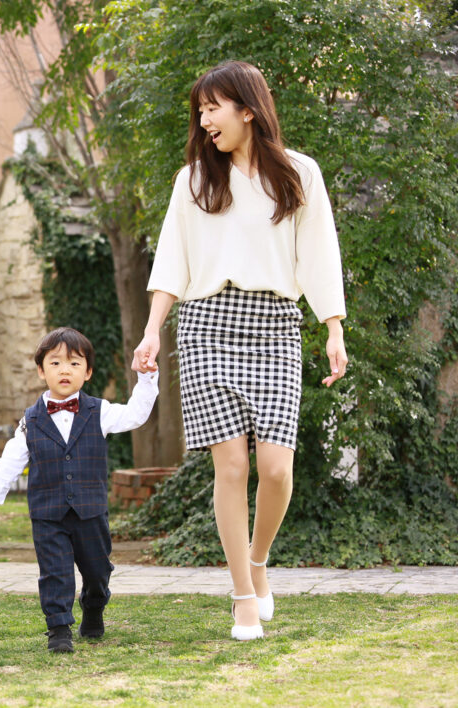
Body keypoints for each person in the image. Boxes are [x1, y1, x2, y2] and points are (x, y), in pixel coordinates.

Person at [133, 60, 348, 641]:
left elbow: (320, 254)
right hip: (205, 324)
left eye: (213, 108)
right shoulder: (193, 181)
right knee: (230, 467)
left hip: (276, 325)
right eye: (199, 111)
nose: (204, 122)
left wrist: (333, 326)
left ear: (247, 109)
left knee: (276, 469)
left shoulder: (299, 173)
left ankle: (258, 562)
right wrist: (154, 329)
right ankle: (242, 596)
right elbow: (171, 262)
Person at [0, 327, 158, 653]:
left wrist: (146, 378)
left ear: (87, 373)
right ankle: (59, 629)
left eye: (74, 363)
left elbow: (136, 415)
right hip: (48, 513)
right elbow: (11, 461)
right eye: (55, 363)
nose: (64, 370)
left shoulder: (99, 411)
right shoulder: (30, 420)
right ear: (41, 371)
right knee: (55, 572)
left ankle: (94, 606)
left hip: (90, 510)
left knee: (98, 571)